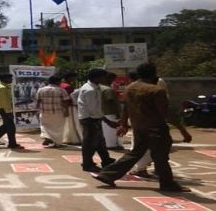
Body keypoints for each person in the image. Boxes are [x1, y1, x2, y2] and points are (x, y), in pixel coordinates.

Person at [93, 63, 192, 192]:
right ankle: (167, 183)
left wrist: (123, 124)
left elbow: (126, 108)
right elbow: (166, 113)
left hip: (139, 127)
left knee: (135, 153)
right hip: (156, 128)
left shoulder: (129, 88)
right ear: (154, 74)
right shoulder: (156, 90)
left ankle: (107, 174)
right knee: (161, 157)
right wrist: (183, 130)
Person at [77, 68, 116, 172]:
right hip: (90, 119)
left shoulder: (95, 87)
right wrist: (107, 121)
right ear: (96, 77)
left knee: (100, 142)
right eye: (104, 77)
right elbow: (93, 109)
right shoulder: (90, 90)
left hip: (93, 118)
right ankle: (87, 164)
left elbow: (96, 108)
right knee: (90, 143)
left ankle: (106, 160)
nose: (105, 79)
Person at [0, 74, 24, 149]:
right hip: (4, 109)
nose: (11, 79)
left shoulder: (3, 87)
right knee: (11, 128)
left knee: (6, 127)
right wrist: (9, 112)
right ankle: (12, 144)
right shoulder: (2, 88)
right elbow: (5, 101)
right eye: (10, 78)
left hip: (3, 109)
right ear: (4, 79)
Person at [36, 75, 70, 148]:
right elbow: (65, 101)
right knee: (58, 127)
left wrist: (38, 110)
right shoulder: (61, 90)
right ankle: (57, 143)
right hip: (58, 112)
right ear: (57, 82)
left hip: (44, 112)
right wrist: (66, 111)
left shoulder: (41, 90)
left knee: (45, 126)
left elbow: (38, 101)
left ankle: (48, 138)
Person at [101, 72, 123, 149]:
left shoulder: (99, 87)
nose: (112, 81)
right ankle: (111, 145)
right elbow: (111, 102)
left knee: (106, 130)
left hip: (103, 112)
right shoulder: (108, 89)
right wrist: (118, 113)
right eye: (112, 79)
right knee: (111, 130)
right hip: (110, 112)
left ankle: (108, 144)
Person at [60, 72, 82, 145]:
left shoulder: (61, 85)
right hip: (70, 106)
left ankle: (67, 138)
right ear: (69, 77)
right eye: (74, 77)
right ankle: (75, 139)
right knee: (74, 123)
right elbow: (71, 97)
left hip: (62, 106)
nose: (75, 79)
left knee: (67, 123)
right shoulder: (68, 86)